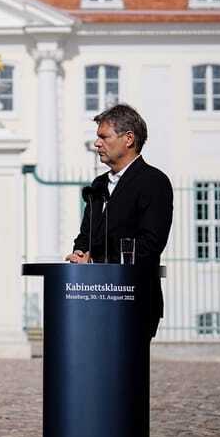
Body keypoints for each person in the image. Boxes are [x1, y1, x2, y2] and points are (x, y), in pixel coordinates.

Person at [65, 103, 173, 337]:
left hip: (133, 300)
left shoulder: (154, 182)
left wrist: (95, 261)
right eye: (97, 137)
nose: (97, 143)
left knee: (128, 373)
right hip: (93, 298)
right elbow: (86, 236)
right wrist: (80, 253)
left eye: (104, 137)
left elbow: (150, 245)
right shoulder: (98, 185)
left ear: (128, 139)